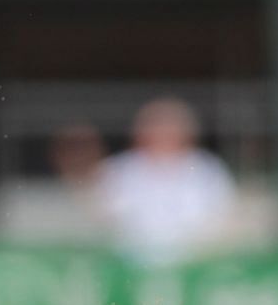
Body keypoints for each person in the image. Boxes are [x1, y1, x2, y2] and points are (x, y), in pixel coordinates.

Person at [96, 98, 238, 265]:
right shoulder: (117, 169)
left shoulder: (208, 168)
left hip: (194, 262)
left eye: (170, 128)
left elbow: (221, 216)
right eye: (155, 127)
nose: (163, 134)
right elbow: (106, 220)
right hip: (131, 261)